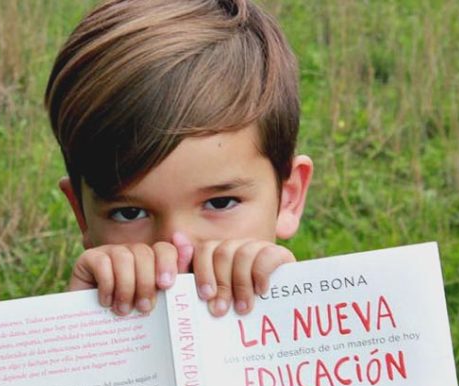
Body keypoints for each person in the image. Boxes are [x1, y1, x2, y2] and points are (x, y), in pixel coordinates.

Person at [45, 0, 314, 318]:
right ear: (81, 213)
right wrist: (80, 325)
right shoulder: (77, 324)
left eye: (220, 203)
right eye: (129, 213)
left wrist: (292, 319)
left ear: (289, 197)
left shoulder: (339, 330)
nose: (177, 253)